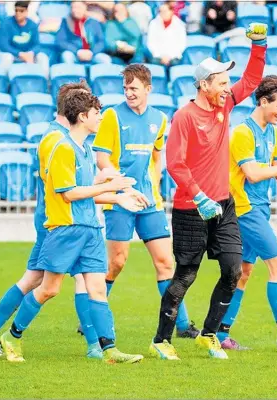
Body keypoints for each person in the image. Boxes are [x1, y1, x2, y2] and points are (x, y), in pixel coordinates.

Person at [0, 81, 147, 360]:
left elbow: (86, 182)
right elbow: (67, 191)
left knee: (87, 283)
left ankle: (103, 348)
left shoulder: (79, 143)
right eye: (93, 109)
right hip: (59, 223)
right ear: (77, 111)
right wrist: (109, 189)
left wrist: (118, 193)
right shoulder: (57, 140)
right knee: (41, 283)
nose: (99, 115)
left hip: (83, 223)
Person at [148, 23, 268, 361]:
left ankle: (209, 335)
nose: (228, 88)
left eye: (227, 83)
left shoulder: (225, 105)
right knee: (186, 274)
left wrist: (258, 46)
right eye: (221, 82)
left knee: (233, 270)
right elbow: (175, 164)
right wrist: (198, 195)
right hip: (191, 208)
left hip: (224, 205)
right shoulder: (184, 117)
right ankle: (161, 340)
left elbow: (251, 81)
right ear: (204, 85)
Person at [92, 64, 199, 339]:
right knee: (117, 262)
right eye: (125, 88)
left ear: (148, 89)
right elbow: (102, 158)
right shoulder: (112, 117)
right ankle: (94, 312)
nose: (129, 93)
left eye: (134, 88)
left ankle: (183, 324)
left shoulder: (160, 119)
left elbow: (156, 154)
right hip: (119, 201)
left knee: (165, 262)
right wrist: (119, 184)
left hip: (149, 203)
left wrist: (155, 181)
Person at [216, 75, 277, 352]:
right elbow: (254, 174)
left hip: (260, 208)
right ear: (263, 101)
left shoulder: (272, 131)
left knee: (244, 272)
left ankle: (220, 333)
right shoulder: (243, 133)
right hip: (244, 208)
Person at [0, 1, 49, 76]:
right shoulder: (6, 23)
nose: (18, 13)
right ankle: (4, 83)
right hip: (6, 52)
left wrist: (31, 53)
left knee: (43, 57)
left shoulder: (33, 25)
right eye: (16, 10)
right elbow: (3, 45)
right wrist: (20, 54)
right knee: (7, 57)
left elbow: (37, 45)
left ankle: (44, 82)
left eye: (21, 11)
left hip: (26, 53)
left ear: (27, 12)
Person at [56, 0, 111, 65]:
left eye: (78, 7)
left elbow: (101, 41)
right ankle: (72, 75)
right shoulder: (66, 22)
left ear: (85, 8)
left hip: (92, 54)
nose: (74, 10)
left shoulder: (93, 22)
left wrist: (92, 52)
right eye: (73, 7)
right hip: (75, 54)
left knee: (105, 59)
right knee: (67, 56)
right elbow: (60, 41)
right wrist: (77, 51)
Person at [147, 1, 186, 67]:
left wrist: (170, 56)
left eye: (165, 11)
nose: (162, 13)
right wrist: (161, 56)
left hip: (174, 56)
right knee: (153, 62)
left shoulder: (180, 24)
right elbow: (151, 43)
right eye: (160, 11)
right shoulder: (153, 24)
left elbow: (182, 44)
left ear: (171, 11)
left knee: (175, 63)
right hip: (158, 56)